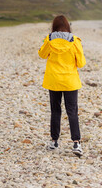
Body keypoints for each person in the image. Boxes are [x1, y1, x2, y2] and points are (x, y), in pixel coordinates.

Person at [38, 15, 86, 156]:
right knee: (72, 112)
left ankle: (54, 141)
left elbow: (42, 54)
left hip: (53, 80)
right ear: (67, 25)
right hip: (70, 81)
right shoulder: (75, 41)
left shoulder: (49, 39)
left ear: (54, 26)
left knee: (55, 110)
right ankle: (76, 143)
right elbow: (82, 63)